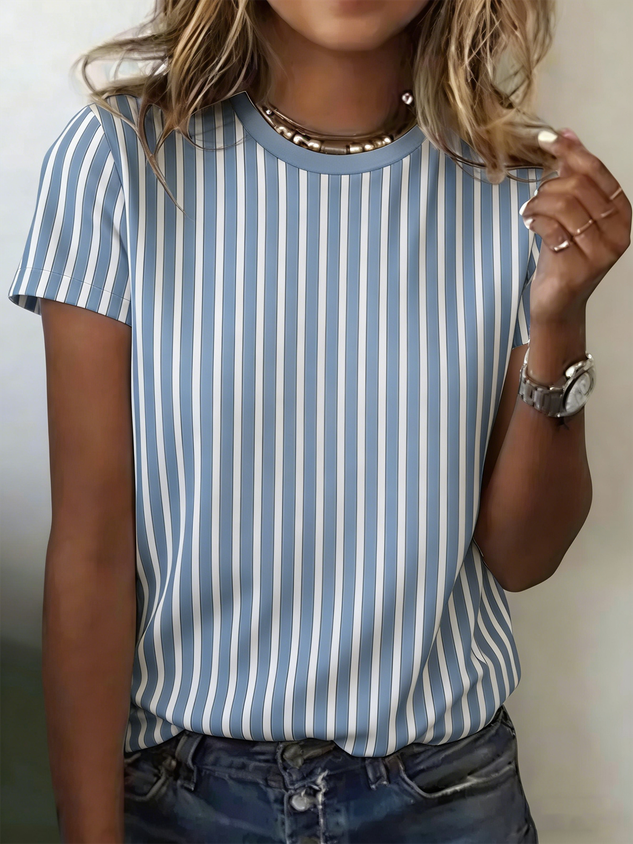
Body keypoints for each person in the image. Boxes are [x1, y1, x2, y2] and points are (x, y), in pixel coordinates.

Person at [7, 0, 631, 842]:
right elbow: (91, 554)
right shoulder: (123, 158)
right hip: (182, 797)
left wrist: (559, 320)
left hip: (445, 796)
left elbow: (523, 557)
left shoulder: (523, 192)